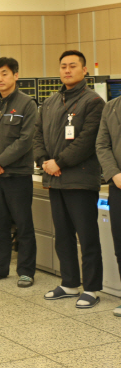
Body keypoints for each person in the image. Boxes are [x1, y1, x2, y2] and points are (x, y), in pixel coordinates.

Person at [34, 50, 105, 309]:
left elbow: (87, 142)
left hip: (80, 180)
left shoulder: (93, 102)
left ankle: (93, 288)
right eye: (63, 66)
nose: (67, 70)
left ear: (84, 70)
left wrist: (59, 162)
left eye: (72, 66)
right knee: (62, 235)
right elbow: (37, 134)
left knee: (87, 237)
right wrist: (43, 160)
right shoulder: (51, 101)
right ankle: (69, 283)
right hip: (54, 180)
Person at [0, 57, 38, 288]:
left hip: (17, 175)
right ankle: (0, 268)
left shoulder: (27, 104)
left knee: (23, 224)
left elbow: (25, 140)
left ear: (15, 76)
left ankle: (26, 271)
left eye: (4, 74)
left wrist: (0, 161)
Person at [97, 87, 121, 317]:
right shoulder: (111, 108)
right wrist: (114, 174)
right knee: (120, 244)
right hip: (118, 186)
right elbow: (102, 145)